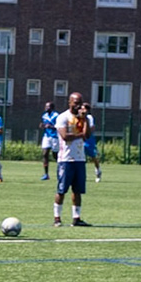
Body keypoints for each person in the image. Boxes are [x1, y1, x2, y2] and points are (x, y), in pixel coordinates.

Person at [53, 91, 92, 227]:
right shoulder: (62, 117)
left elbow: (87, 136)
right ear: (69, 102)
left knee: (78, 190)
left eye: (80, 103)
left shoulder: (84, 118)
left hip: (80, 159)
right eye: (76, 103)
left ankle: (76, 218)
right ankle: (57, 218)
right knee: (62, 190)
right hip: (66, 159)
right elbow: (65, 136)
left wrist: (85, 119)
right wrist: (80, 134)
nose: (78, 106)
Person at [38, 100, 57, 180]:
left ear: (52, 107)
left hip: (55, 137)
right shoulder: (44, 116)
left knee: (55, 155)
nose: (46, 108)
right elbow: (45, 125)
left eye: (48, 106)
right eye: (45, 106)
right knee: (45, 154)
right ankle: (46, 174)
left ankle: (61, 170)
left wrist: (51, 126)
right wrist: (42, 125)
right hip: (47, 136)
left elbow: (59, 126)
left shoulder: (56, 115)